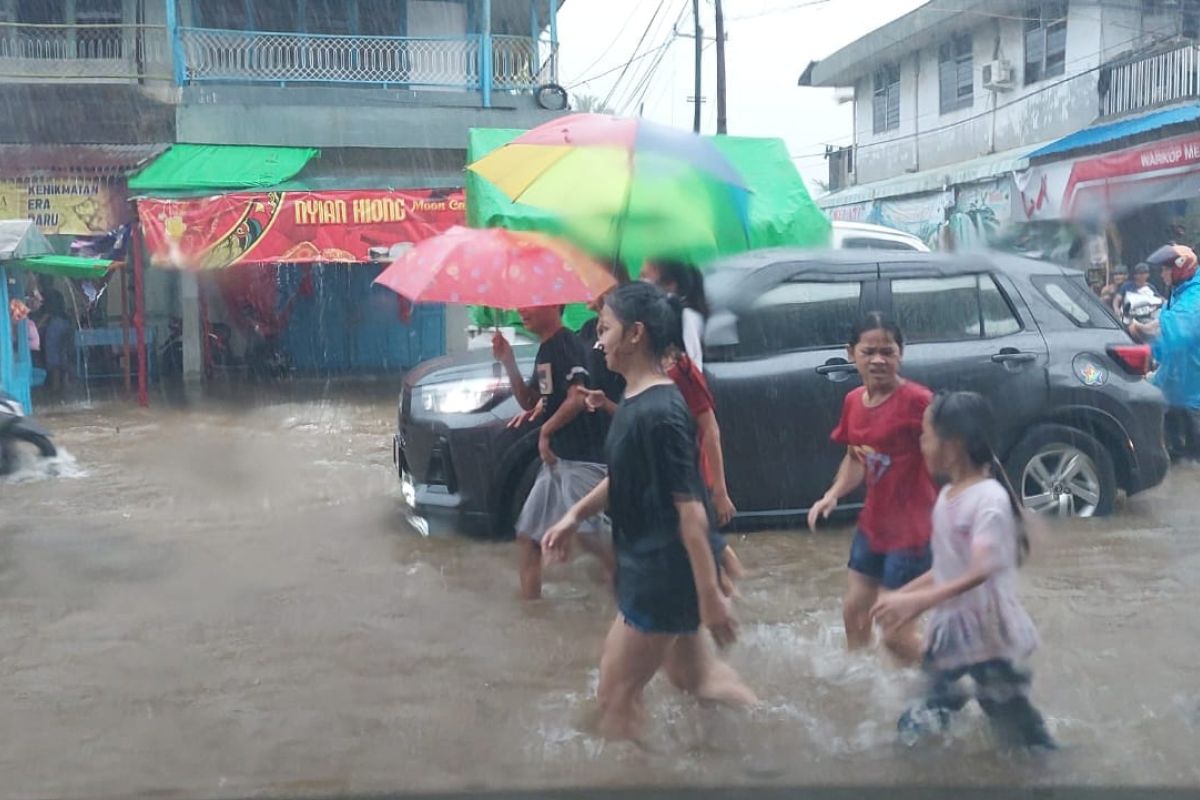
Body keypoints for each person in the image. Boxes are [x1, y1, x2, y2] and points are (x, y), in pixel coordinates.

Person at [542, 282, 755, 741]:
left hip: (661, 574)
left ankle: (640, 775)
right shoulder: (637, 403)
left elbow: (691, 512)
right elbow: (625, 477)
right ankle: (766, 734)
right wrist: (572, 516)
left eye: (605, 329)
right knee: (694, 678)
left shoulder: (659, 412)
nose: (598, 341)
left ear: (635, 334)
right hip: (657, 566)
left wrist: (710, 597)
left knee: (615, 695)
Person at [872, 392, 1056, 750]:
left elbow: (981, 568)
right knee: (930, 712)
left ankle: (1051, 770)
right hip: (958, 635)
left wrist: (920, 600)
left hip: (988, 639)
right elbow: (947, 567)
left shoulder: (988, 499)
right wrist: (905, 594)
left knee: (1017, 728)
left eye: (925, 436)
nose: (921, 445)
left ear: (953, 446)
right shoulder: (949, 496)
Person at [807, 313, 937, 666]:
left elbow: (952, 453)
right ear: (851, 354)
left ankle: (952, 677)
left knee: (894, 632)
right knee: (854, 614)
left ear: (900, 354)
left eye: (887, 351)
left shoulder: (918, 401)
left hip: (913, 533)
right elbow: (855, 457)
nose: (878, 360)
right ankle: (862, 684)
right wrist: (832, 494)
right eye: (869, 351)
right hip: (873, 527)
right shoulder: (853, 401)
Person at [493, 306, 612, 600]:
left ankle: (631, 596)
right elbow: (531, 400)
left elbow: (577, 397)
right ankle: (531, 613)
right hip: (558, 462)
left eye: (530, 304)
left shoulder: (565, 344)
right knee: (528, 537)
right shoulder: (546, 350)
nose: (522, 310)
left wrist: (546, 433)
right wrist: (508, 361)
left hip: (583, 459)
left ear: (553, 305)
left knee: (593, 537)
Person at [1132, 245, 1200, 463]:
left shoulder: (1194, 296)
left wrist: (1139, 328)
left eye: (1165, 269)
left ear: (1180, 269)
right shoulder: (1176, 294)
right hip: (1174, 385)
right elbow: (1164, 341)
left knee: (1193, 456)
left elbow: (1177, 329)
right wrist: (1151, 358)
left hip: (1192, 391)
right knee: (1176, 453)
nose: (1161, 274)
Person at [640, 259, 707, 370]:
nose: (641, 282)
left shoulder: (687, 317)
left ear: (670, 284)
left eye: (645, 277)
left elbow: (693, 365)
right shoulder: (647, 316)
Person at [39, 289, 73, 399]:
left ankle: (55, 388)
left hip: (53, 328)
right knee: (64, 355)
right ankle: (67, 387)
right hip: (65, 326)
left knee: (53, 360)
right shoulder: (58, 294)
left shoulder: (47, 295)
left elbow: (46, 316)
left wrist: (36, 326)